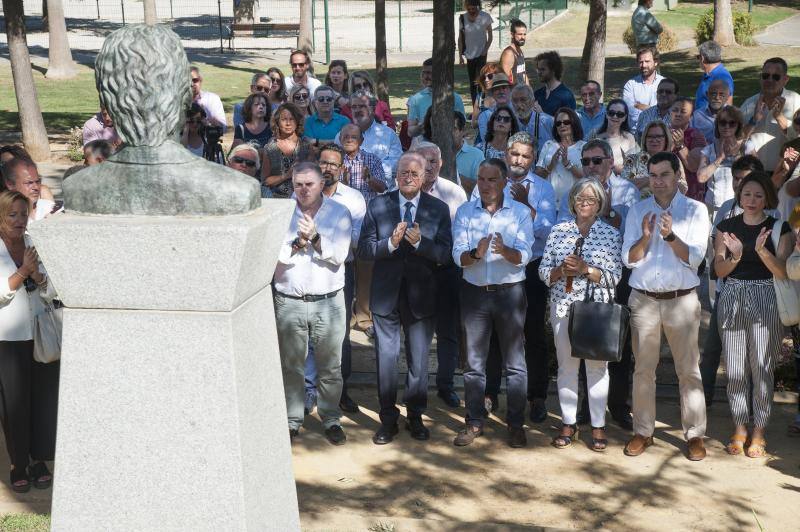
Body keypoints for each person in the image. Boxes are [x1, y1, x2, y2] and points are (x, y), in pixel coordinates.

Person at [357, 152, 452, 445]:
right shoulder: (379, 205)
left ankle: (415, 415)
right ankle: (388, 418)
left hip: (421, 296)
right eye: (403, 173)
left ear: (424, 177)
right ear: (396, 176)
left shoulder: (438, 209)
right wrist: (391, 243)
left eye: (414, 173)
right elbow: (364, 250)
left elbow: (445, 254)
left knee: (419, 360)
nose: (408, 178)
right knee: (386, 359)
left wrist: (421, 244)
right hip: (386, 295)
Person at [622, 152, 710, 461]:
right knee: (643, 369)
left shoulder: (696, 211)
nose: (658, 181)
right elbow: (629, 259)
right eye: (654, 175)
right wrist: (646, 238)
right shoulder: (638, 210)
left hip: (682, 300)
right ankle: (643, 431)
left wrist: (670, 236)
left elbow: (695, 258)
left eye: (664, 175)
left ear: (677, 176)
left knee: (689, 370)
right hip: (644, 300)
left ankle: (695, 434)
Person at [451, 159, 533, 448]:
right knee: (474, 363)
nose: (485, 186)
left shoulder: (521, 213)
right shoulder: (464, 212)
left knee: (515, 363)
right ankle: (474, 421)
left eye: (492, 180)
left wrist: (504, 250)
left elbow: (524, 255)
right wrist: (476, 253)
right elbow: (457, 255)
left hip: (510, 293)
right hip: (474, 293)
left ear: (504, 181)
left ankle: (515, 423)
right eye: (482, 179)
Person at [477, 132, 556, 423]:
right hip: (498, 267)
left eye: (525, 155)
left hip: (531, 268)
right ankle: (490, 392)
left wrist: (527, 207)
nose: (519, 160)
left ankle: (536, 397)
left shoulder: (543, 188)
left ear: (532, 158)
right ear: (506, 154)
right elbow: (478, 217)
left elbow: (548, 231)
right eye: (514, 154)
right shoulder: (488, 182)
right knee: (496, 333)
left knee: (533, 334)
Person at [540, 178, 623, 450]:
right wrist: (561, 272)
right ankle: (568, 422)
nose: (585, 203)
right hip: (563, 307)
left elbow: (615, 278)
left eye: (591, 200)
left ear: (599, 205)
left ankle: (598, 425)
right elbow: (543, 273)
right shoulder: (558, 231)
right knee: (566, 367)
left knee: (597, 368)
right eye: (580, 198)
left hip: (595, 311)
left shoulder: (610, 234)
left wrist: (586, 269)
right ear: (572, 201)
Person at [714, 171, 792, 458]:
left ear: (767, 198)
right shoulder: (726, 227)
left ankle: (759, 429)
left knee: (762, 366)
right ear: (739, 195)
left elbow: (783, 272)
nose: (752, 200)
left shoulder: (779, 228)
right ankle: (739, 426)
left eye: (758, 195)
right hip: (733, 294)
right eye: (747, 194)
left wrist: (761, 251)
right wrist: (735, 256)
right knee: (735, 367)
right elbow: (719, 270)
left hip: (766, 296)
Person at [273, 162, 352, 445]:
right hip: (290, 300)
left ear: (321, 184)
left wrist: (316, 239)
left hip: (328, 301)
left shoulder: (339, 213)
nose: (304, 190)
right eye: (298, 184)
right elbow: (274, 257)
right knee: (291, 365)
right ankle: (292, 419)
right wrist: (297, 242)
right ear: (292, 185)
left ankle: (330, 417)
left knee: (330, 365)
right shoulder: (280, 213)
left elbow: (339, 255)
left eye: (309, 184)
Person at [701, 155, 772, 407]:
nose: (739, 185)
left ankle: (754, 408)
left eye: (745, 180)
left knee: (754, 354)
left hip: (760, 293)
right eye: (736, 179)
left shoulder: (770, 214)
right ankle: (703, 399)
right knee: (711, 350)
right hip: (725, 290)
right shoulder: (726, 207)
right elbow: (715, 248)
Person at [0, 190, 58, 492]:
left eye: (24, 214)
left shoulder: (32, 242)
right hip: (8, 338)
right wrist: (23, 271)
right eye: (13, 214)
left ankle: (39, 459)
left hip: (38, 333)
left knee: (39, 401)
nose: (20, 220)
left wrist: (37, 276)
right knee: (14, 404)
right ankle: (18, 463)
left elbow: (49, 286)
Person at [303, 144, 366, 415]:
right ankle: (308, 389)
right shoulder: (304, 193)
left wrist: (322, 241)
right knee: (306, 332)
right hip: (305, 270)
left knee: (339, 334)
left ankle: (340, 391)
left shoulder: (353, 199)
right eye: (324, 163)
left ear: (343, 169)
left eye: (334, 164)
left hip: (340, 273)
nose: (328, 168)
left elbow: (355, 241)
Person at [415, 142, 468, 407]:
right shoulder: (406, 189)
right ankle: (418, 387)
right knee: (419, 334)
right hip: (416, 274)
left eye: (433, 161)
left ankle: (445, 385)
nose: (429, 166)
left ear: (441, 163)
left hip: (447, 271)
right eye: (424, 161)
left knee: (448, 333)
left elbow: (463, 234)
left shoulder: (454, 193)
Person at [339, 123, 389, 338]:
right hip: (340, 225)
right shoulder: (335, 159)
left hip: (366, 224)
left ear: (361, 140)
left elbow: (383, 187)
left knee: (366, 273)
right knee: (343, 272)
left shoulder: (371, 159)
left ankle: (364, 317)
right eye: (346, 136)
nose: (349, 139)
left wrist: (369, 178)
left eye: (354, 136)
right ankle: (346, 316)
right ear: (340, 139)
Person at [741, 57, 800, 172]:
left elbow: (798, 139)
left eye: (776, 77)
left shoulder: (797, 102)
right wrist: (754, 120)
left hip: (785, 174)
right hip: (754, 173)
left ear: (786, 79)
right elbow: (738, 137)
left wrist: (779, 117)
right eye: (765, 76)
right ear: (760, 78)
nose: (770, 80)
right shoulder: (749, 104)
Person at [696, 106, 756, 214]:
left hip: (741, 206)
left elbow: (757, 175)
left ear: (738, 126)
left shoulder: (747, 147)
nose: (727, 126)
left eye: (732, 123)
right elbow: (701, 178)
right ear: (717, 125)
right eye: (723, 123)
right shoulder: (708, 150)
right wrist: (719, 158)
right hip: (713, 208)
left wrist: (737, 157)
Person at [336, 91, 402, 184]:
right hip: (350, 193)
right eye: (354, 107)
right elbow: (335, 163)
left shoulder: (388, 135)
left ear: (373, 109)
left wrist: (365, 170)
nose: (357, 110)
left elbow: (396, 165)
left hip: (381, 194)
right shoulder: (341, 136)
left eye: (362, 106)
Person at [621, 119, 687, 197]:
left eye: (659, 136)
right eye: (650, 137)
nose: (654, 140)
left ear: (666, 139)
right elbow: (623, 187)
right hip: (637, 206)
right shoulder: (632, 159)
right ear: (645, 139)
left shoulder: (673, 160)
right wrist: (650, 180)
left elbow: (683, 189)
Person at [261, 103, 314, 199]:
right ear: (277, 122)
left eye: (291, 119)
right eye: (284, 119)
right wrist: (286, 176)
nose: (288, 123)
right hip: (278, 199)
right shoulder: (269, 148)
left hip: (303, 198)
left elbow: (314, 175)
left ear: (297, 121)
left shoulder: (306, 146)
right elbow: (265, 181)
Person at [407, 58, 466, 138]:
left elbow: (463, 127)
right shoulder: (415, 99)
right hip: (424, 145)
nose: (425, 77)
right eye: (424, 73)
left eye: (429, 73)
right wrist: (423, 126)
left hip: (449, 143)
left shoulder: (455, 98)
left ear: (440, 74)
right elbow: (410, 132)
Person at [535, 107, 585, 202]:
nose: (562, 125)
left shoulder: (584, 147)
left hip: (574, 203)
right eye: (558, 123)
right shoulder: (548, 145)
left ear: (574, 123)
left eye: (566, 122)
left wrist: (568, 164)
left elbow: (587, 176)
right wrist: (551, 165)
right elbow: (537, 175)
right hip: (549, 202)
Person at [669, 97, 708, 201]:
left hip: (689, 195)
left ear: (691, 116)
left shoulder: (696, 136)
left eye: (683, 112)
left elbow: (694, 166)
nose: (678, 114)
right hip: (665, 191)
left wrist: (680, 145)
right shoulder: (660, 133)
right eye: (675, 110)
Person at [458, 0, 493, 111]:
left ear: (478, 6)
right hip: (469, 55)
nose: (471, 11)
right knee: (473, 83)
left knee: (480, 81)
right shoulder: (462, 18)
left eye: (474, 8)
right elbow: (460, 38)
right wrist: (460, 56)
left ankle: (483, 107)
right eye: (469, 8)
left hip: (481, 54)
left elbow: (491, 36)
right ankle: (475, 110)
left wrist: (485, 50)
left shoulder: (485, 17)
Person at [623, 47, 664, 137]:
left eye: (647, 61)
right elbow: (632, 114)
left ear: (656, 62)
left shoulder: (664, 84)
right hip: (636, 135)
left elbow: (667, 112)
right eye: (641, 62)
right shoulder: (630, 85)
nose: (643, 65)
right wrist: (654, 110)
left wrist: (640, 106)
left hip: (661, 135)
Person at [595, 98, 639, 175]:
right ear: (606, 114)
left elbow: (633, 166)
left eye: (620, 114)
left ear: (625, 118)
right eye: (611, 113)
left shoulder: (629, 138)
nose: (615, 116)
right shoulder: (596, 136)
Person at [773, 109, 800, 222]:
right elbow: (774, 183)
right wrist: (784, 169)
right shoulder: (790, 147)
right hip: (788, 207)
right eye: (797, 121)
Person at [511, 84, 553, 153]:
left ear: (532, 101)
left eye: (523, 100)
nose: (519, 104)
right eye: (515, 101)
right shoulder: (510, 124)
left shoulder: (547, 122)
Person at [533, 51, 576, 116]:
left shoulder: (566, 96)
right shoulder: (537, 94)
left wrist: (542, 114)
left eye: (542, 69)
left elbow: (569, 123)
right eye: (538, 69)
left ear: (553, 70)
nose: (539, 73)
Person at [695, 41, 734, 111]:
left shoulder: (722, 77)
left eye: (698, 57)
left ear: (702, 58)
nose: (698, 60)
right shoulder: (708, 74)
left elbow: (726, 107)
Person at [691, 78, 731, 144]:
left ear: (727, 97)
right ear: (707, 94)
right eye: (713, 94)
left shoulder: (733, 115)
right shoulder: (696, 116)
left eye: (721, 94)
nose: (717, 98)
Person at [454, 112, 485, 195]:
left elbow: (482, 188)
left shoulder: (477, 155)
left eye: (453, 129)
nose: (448, 132)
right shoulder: (435, 153)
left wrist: (456, 177)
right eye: (445, 128)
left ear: (463, 131)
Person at [477, 73, 513, 142]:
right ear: (492, 93)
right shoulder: (485, 116)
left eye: (504, 88)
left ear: (510, 90)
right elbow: (487, 142)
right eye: (497, 89)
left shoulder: (519, 112)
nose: (501, 91)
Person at [190, 66, 226, 132]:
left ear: (200, 80)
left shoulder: (212, 99)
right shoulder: (174, 102)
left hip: (207, 140)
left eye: (195, 80)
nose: (192, 84)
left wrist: (205, 121)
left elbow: (222, 127)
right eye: (188, 81)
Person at [499, 19, 527, 86]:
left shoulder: (520, 51)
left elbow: (524, 75)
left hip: (522, 93)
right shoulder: (508, 54)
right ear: (512, 34)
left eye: (524, 34)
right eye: (519, 34)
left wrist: (530, 92)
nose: (523, 37)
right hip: (513, 94)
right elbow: (505, 79)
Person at [473, 62, 499, 129]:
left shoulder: (503, 97)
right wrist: (484, 119)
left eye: (490, 76)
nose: (486, 80)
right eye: (484, 77)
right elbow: (473, 124)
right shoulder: (480, 97)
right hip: (482, 137)